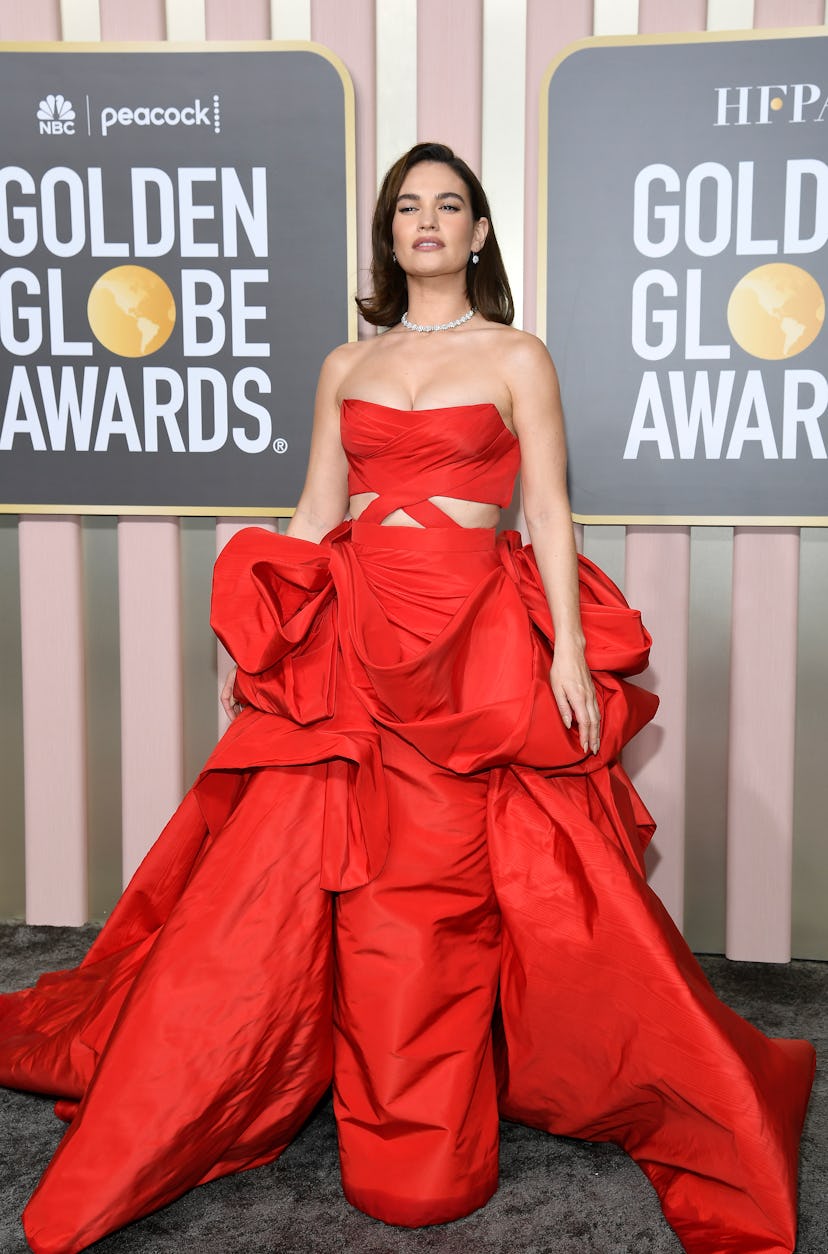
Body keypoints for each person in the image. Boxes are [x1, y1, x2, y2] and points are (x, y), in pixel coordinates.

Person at [0, 142, 815, 1254]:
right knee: (300, 880)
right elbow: (314, 508)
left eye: (450, 205)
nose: (427, 221)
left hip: (473, 637)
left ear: (479, 234)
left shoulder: (520, 356)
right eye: (408, 207)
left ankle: (432, 1125)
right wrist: (269, 632)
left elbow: (552, 512)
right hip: (355, 631)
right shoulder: (345, 364)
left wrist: (569, 650)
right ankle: (292, 1078)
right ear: (390, 235)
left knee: (446, 882)